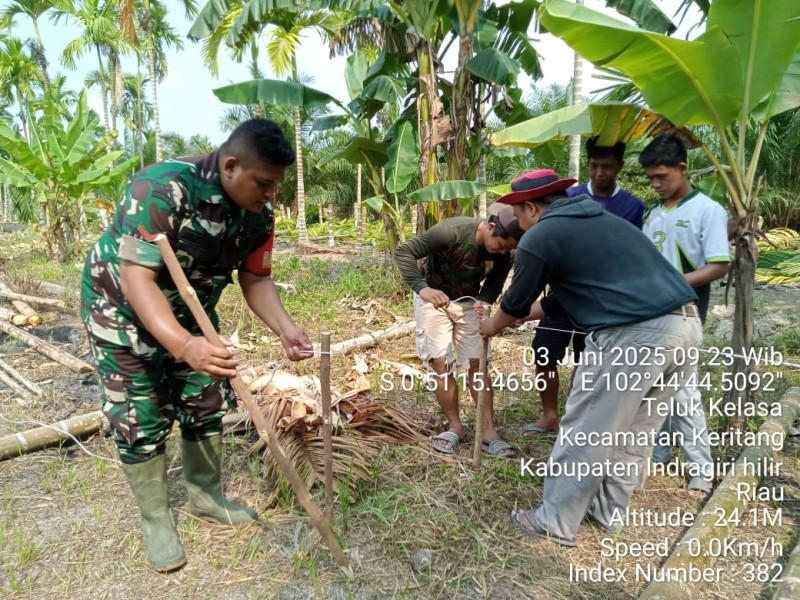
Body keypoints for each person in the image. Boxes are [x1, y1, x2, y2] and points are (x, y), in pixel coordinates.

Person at [80, 119, 313, 572]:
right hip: (121, 310)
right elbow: (136, 278)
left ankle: (206, 497)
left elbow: (256, 277)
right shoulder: (161, 189)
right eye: (263, 183)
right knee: (139, 411)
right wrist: (185, 346)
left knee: (204, 400)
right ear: (230, 165)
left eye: (275, 186)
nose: (270, 195)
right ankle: (155, 519)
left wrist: (284, 327)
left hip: (192, 313)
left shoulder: (259, 215)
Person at [479, 169, 702, 547]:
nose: (518, 226)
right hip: (684, 328)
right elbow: (559, 299)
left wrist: (491, 327)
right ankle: (607, 512)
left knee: (587, 429)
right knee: (635, 433)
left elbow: (514, 303)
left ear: (532, 208)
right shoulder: (601, 221)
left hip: (632, 338)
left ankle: (554, 521)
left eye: (518, 216)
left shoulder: (542, 235)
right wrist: (518, 316)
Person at [524, 138, 646, 435]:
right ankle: (549, 415)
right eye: (594, 166)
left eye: (607, 166)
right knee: (543, 351)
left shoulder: (632, 207)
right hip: (563, 292)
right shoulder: (571, 196)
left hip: (603, 300)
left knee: (587, 359)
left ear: (619, 166)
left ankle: (575, 418)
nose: (600, 172)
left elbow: (629, 253)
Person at [640, 132, 730, 500]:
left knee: (684, 391)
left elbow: (718, 266)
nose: (657, 184)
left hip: (686, 311)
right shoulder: (653, 214)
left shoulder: (708, 210)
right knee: (653, 386)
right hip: (650, 313)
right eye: (651, 178)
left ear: (682, 168)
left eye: (663, 176)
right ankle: (659, 454)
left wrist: (671, 282)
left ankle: (700, 471)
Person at [394, 203, 524, 458]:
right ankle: (455, 426)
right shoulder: (450, 232)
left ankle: (488, 431)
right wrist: (423, 288)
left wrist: (485, 301)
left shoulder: (504, 253)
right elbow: (403, 251)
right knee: (440, 363)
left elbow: (495, 282)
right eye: (503, 244)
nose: (504, 251)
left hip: (469, 302)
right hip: (433, 298)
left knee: (478, 363)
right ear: (491, 226)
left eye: (510, 248)